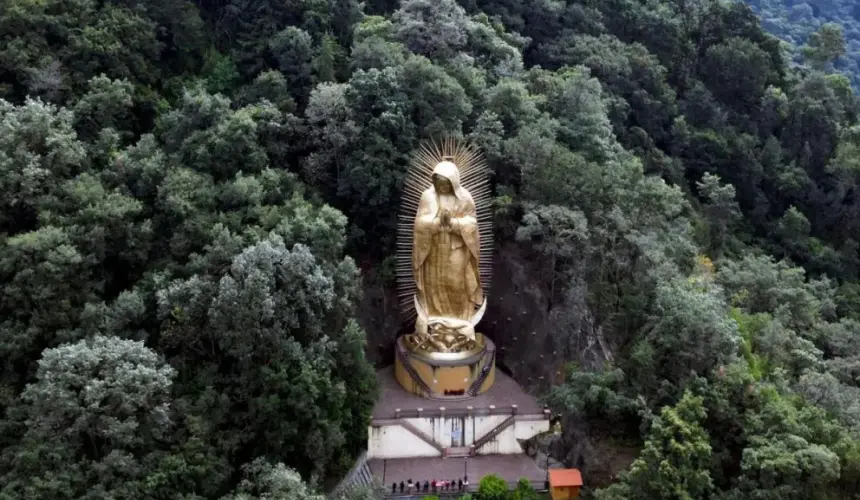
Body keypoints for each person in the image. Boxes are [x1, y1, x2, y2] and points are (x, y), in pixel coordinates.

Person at [413, 161, 483, 323]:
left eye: (445, 183)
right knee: (434, 285)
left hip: (456, 248)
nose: (441, 187)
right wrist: (436, 223)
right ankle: (435, 323)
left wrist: (454, 223)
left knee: (456, 283)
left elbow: (472, 223)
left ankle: (460, 321)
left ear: (453, 182)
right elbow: (419, 222)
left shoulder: (465, 197)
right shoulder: (428, 196)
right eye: (438, 183)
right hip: (434, 249)